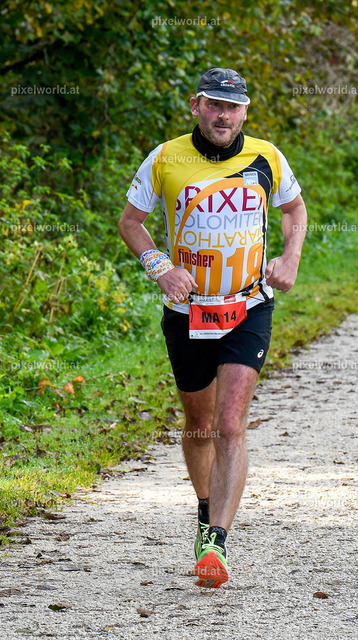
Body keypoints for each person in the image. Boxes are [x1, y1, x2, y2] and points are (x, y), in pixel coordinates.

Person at [119, 68, 307, 589]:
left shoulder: (267, 157)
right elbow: (131, 223)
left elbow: (294, 209)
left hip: (249, 307)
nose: (224, 115)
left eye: (234, 106)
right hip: (188, 312)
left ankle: (216, 542)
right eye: (215, 104)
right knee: (199, 425)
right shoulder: (165, 158)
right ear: (196, 106)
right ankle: (205, 511)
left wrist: (290, 257)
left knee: (228, 425)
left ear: (245, 111)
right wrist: (160, 267)